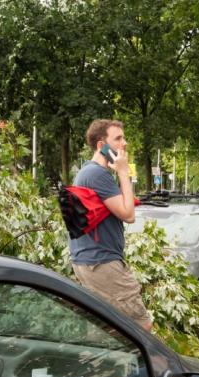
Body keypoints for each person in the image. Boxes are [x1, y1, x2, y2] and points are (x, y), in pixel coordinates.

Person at [69, 119, 153, 331]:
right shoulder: (97, 174)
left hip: (91, 262)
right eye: (118, 138)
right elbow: (128, 214)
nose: (124, 143)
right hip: (102, 262)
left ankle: (106, 363)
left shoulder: (88, 172)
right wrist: (123, 173)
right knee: (141, 325)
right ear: (101, 145)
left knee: (106, 328)